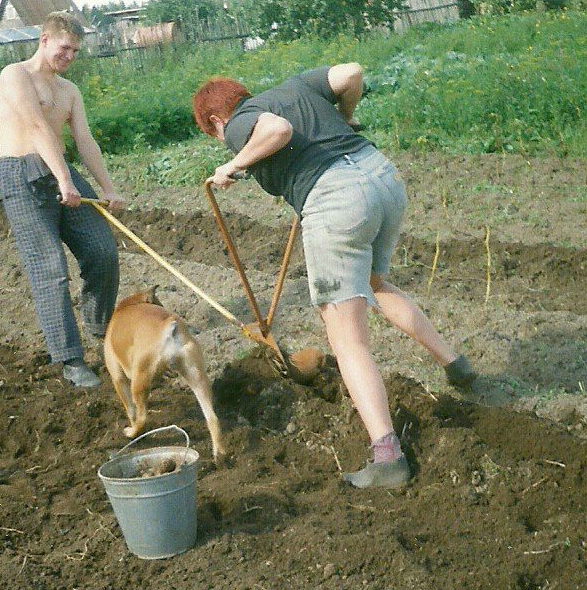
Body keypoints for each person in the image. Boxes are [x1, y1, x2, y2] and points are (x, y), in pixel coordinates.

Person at [192, 64, 476, 488]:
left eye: (214, 135)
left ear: (216, 120)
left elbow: (278, 131)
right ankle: (455, 363)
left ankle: (387, 457)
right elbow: (352, 73)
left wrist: (234, 163)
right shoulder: (293, 85)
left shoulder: (239, 125)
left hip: (338, 200)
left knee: (347, 340)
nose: (222, 141)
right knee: (376, 285)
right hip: (382, 178)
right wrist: (344, 116)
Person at [0, 12, 126, 388]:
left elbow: (85, 141)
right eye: (64, 47)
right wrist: (64, 179)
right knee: (50, 267)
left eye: (75, 50)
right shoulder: (15, 75)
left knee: (103, 250)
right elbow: (36, 127)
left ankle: (102, 330)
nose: (69, 55)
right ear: (45, 40)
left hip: (61, 172)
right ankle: (70, 359)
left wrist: (107, 188)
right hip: (22, 174)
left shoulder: (69, 91)